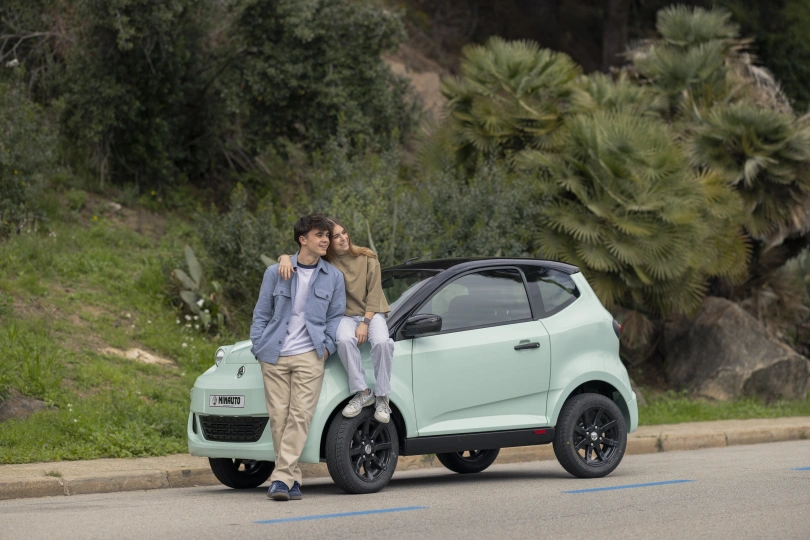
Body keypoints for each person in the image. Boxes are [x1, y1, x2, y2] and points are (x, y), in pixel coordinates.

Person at [250, 214, 346, 502]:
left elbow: (336, 317)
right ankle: (291, 480)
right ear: (303, 239)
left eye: (327, 235)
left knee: (300, 416)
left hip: (310, 354)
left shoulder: (334, 277)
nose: (326, 240)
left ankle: (280, 478)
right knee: (279, 418)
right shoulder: (276, 272)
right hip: (274, 354)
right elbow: (261, 313)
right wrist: (258, 345)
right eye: (320, 235)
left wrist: (327, 348)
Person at [278, 217, 394, 424]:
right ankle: (362, 392)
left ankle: (383, 397)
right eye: (336, 236)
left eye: (344, 233)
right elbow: (302, 257)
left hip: (372, 313)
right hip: (345, 317)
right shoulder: (326, 264)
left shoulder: (368, 257)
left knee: (382, 343)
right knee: (343, 340)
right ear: (328, 242)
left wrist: (365, 323)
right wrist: (284, 258)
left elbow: (374, 294)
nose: (343, 238)